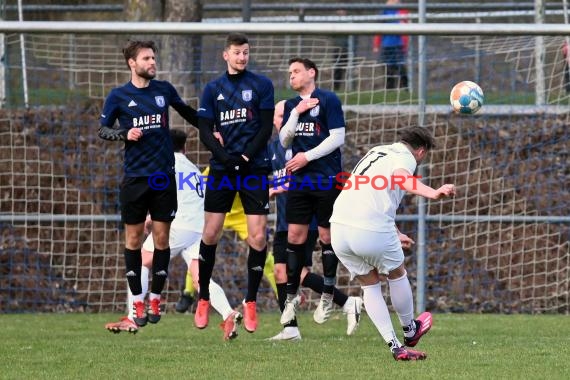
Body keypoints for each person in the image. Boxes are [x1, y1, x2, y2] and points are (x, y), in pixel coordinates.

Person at [330, 126, 456, 361]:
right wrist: (434, 193)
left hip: (339, 229)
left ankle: (396, 346)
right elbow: (402, 179)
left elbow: (371, 196)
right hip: (369, 228)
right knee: (397, 273)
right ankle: (411, 330)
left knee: (370, 284)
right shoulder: (405, 158)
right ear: (420, 151)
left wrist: (395, 232)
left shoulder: (377, 152)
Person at [98, 40, 200, 326]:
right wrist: (124, 134)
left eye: (154, 57)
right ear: (132, 63)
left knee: (161, 240)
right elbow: (103, 129)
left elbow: (188, 112)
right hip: (135, 180)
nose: (153, 62)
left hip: (163, 178)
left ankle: (156, 297)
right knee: (132, 241)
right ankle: (137, 304)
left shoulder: (163, 90)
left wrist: (211, 127)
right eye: (147, 58)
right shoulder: (119, 95)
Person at [106, 129, 243, 341]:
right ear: (184, 148)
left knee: (140, 261)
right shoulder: (193, 169)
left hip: (180, 225)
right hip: (199, 227)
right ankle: (229, 314)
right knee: (200, 278)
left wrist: (146, 219)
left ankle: (134, 317)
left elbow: (157, 196)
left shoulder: (164, 166)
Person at [195, 33, 275, 333]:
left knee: (258, 238)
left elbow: (266, 127)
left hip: (254, 167)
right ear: (225, 55)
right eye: (236, 53)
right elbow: (204, 130)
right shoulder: (212, 89)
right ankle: (203, 298)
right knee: (211, 233)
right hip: (222, 168)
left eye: (246, 52)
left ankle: (250, 301)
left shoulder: (262, 85)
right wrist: (226, 158)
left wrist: (243, 157)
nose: (242, 57)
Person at [269, 100, 362, 341]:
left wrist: (282, 187)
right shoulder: (273, 149)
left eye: (286, 114)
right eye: (280, 115)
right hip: (284, 222)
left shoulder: (310, 147)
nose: (282, 119)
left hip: (306, 223)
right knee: (284, 272)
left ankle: (344, 303)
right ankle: (294, 327)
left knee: (291, 272)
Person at [278, 58, 346, 329]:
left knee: (327, 236)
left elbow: (337, 137)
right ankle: (291, 298)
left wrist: (307, 156)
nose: (291, 76)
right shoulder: (290, 105)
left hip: (326, 180)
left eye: (296, 71)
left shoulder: (328, 99)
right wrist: (295, 113)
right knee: (294, 236)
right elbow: (284, 140)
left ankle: (328, 293)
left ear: (311, 73)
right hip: (300, 182)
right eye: (289, 72)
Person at [373, 0, 409, 89]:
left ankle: (405, 88)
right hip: (387, 45)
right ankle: (390, 89)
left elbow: (406, 26)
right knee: (388, 68)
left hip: (398, 44)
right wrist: (376, 44)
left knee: (400, 67)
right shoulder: (384, 11)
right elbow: (378, 29)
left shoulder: (402, 10)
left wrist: (405, 44)